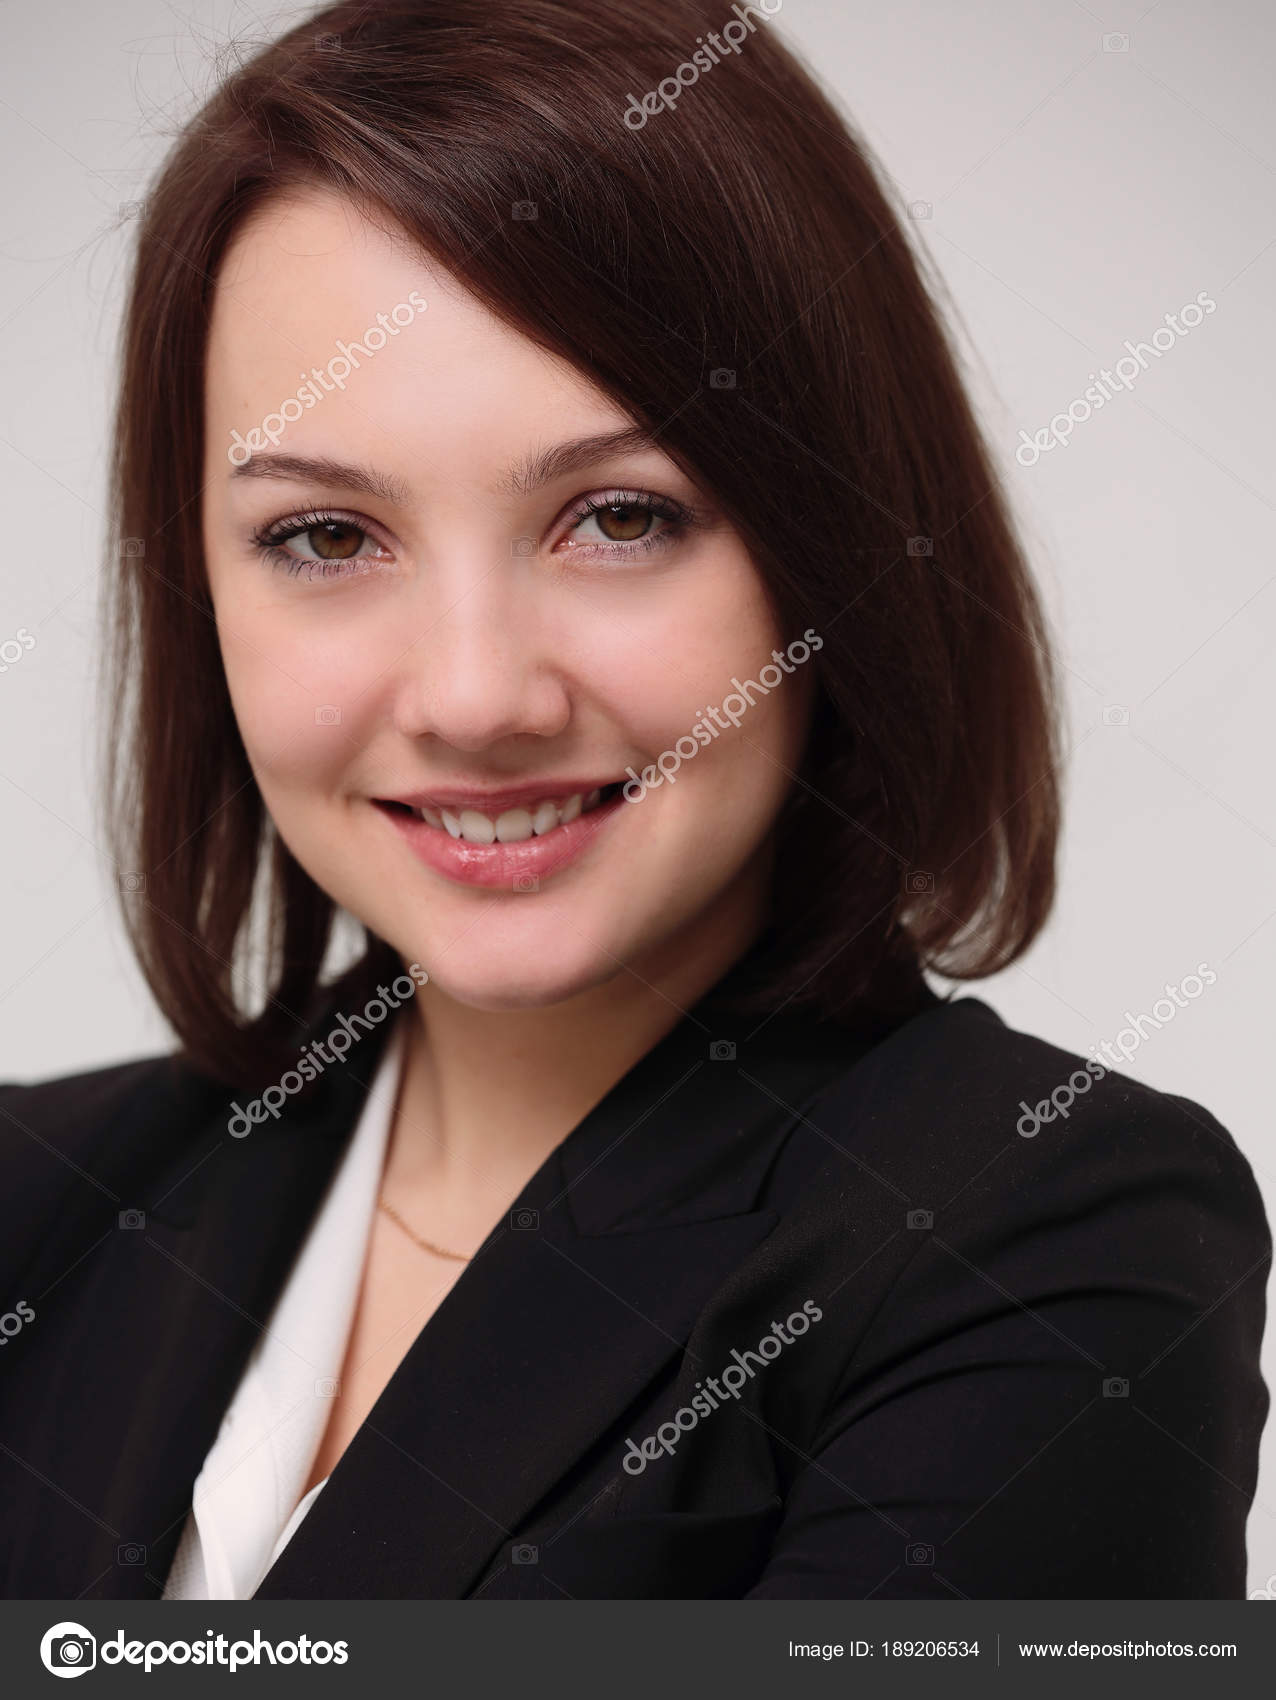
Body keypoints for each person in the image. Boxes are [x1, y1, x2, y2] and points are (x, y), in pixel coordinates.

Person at [0, 0, 1267, 1601]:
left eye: (616, 517)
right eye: (325, 537)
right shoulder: (40, 1197)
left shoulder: (1038, 1242)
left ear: (835, 546)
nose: (473, 695)